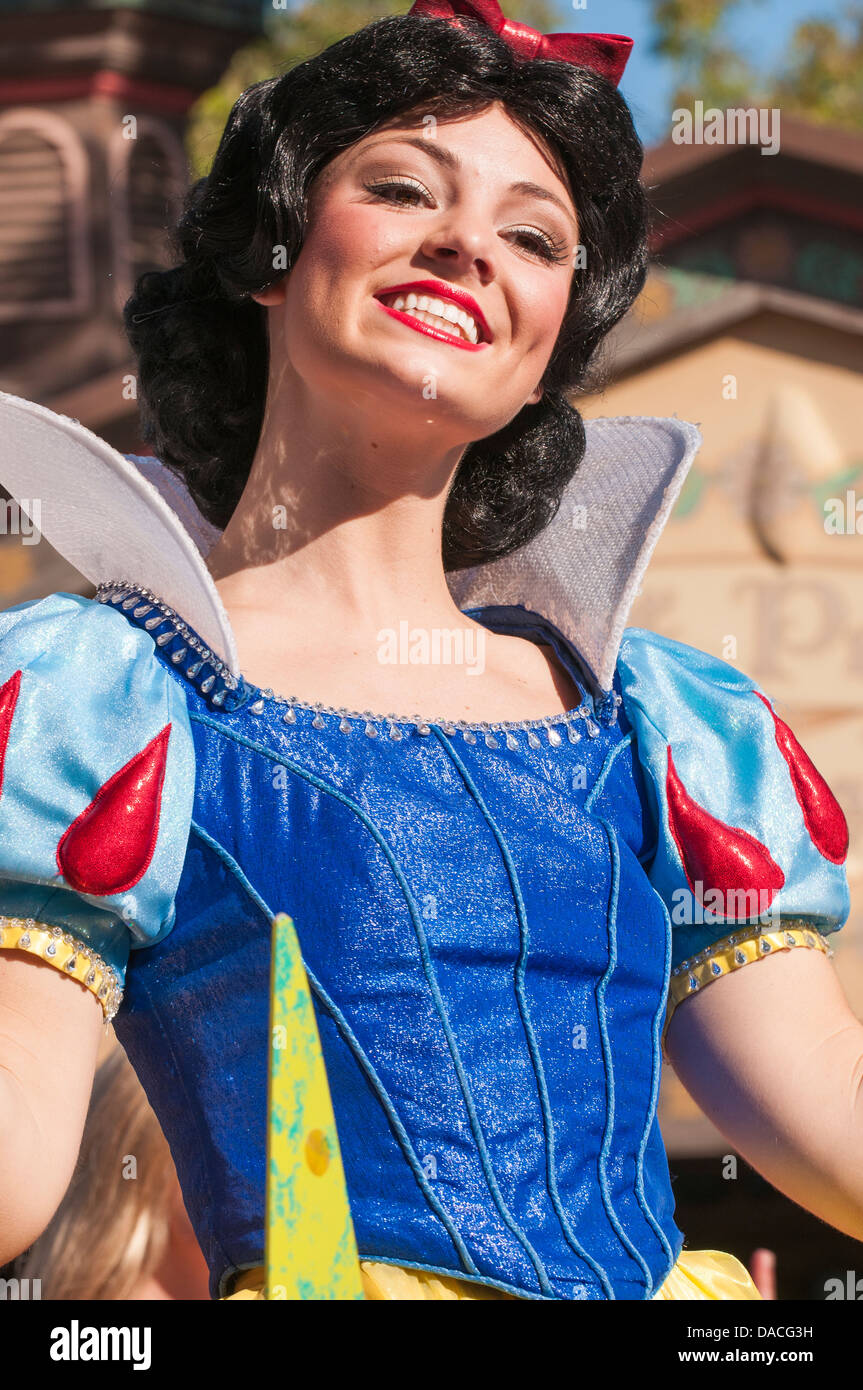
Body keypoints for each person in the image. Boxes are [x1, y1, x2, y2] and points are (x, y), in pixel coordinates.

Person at [0, 2, 859, 1301]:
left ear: (554, 338)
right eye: (403, 188)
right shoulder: (103, 700)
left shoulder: (670, 722)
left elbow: (828, 1111)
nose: (468, 246)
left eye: (534, 236)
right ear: (274, 251)